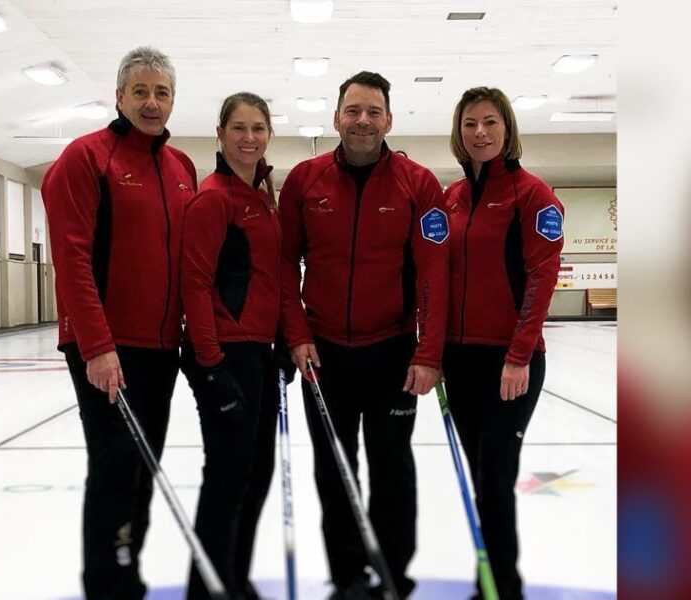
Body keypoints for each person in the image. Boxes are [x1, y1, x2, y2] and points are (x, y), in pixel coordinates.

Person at [279, 71, 450, 599]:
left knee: (392, 467)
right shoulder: (304, 181)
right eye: (353, 110)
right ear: (336, 118)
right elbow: (284, 266)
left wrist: (427, 353)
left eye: (374, 111)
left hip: (392, 351)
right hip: (324, 353)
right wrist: (297, 334)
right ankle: (349, 576)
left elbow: (434, 275)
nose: (362, 121)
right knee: (335, 469)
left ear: (389, 120)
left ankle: (394, 572)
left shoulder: (418, 183)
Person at [42, 46, 197, 600]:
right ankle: (107, 585)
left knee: (145, 465)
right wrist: (97, 346)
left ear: (173, 100)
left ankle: (128, 572)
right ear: (119, 96)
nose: (151, 102)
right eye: (141, 91)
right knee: (113, 468)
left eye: (161, 93)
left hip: (161, 348)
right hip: (107, 348)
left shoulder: (181, 168)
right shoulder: (86, 158)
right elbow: (72, 258)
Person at [442, 87, 564, 600]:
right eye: (470, 123)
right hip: (461, 359)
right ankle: (485, 582)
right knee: (481, 480)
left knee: (495, 480)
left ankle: (503, 589)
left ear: (507, 129)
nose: (480, 133)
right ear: (459, 132)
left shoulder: (533, 195)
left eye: (490, 122)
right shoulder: (452, 198)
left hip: (510, 364)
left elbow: (542, 277)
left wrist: (518, 355)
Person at [179, 92, 282, 600]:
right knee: (227, 475)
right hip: (226, 353)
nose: (249, 137)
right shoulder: (213, 198)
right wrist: (211, 364)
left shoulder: (262, 198)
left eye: (258, 127)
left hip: (258, 350)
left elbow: (271, 278)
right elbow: (194, 284)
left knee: (255, 472)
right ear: (219, 134)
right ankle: (209, 588)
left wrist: (280, 339)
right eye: (239, 127)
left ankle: (233, 578)